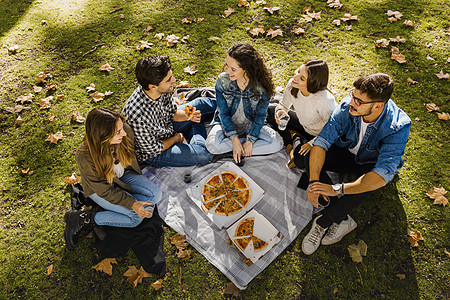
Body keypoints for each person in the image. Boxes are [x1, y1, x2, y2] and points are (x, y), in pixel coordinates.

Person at [300, 73, 411, 255]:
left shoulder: (398, 126)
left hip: (370, 166)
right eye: (353, 95)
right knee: (309, 155)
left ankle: (323, 222)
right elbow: (322, 142)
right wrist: (313, 182)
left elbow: (381, 175)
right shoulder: (347, 107)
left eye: (359, 101)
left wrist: (336, 189)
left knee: (369, 184)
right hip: (347, 154)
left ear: (378, 106)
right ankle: (343, 219)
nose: (352, 102)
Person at [64, 108, 162, 249]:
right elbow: (104, 191)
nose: (124, 133)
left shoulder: (124, 130)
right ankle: (85, 218)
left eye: (121, 128)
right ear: (103, 136)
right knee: (136, 218)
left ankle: (120, 207)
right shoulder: (85, 156)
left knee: (156, 195)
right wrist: (132, 203)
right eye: (118, 132)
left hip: (123, 176)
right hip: (101, 189)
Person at [122, 55, 216, 167]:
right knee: (204, 155)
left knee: (200, 103)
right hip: (155, 151)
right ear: (153, 87)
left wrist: (188, 116)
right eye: (168, 80)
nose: (174, 80)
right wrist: (177, 138)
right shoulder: (137, 117)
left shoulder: (162, 89)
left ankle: (229, 109)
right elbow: (154, 149)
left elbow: (173, 113)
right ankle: (196, 130)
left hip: (166, 126)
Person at [206, 43, 283, 164]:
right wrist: (235, 140)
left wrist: (251, 140)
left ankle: (233, 151)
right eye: (227, 66)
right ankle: (240, 149)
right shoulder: (222, 81)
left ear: (246, 69)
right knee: (211, 145)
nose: (227, 71)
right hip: (226, 125)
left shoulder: (261, 86)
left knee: (277, 143)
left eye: (233, 69)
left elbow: (260, 116)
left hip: (250, 126)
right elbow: (223, 114)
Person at [266, 59, 337, 168]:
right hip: (304, 126)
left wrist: (312, 143)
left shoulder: (324, 102)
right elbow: (284, 105)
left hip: (322, 137)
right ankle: (295, 137)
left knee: (301, 160)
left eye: (302, 78)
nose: (295, 77)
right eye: (298, 71)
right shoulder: (293, 84)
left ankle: (295, 138)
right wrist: (280, 111)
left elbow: (333, 130)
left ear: (312, 83)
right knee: (271, 110)